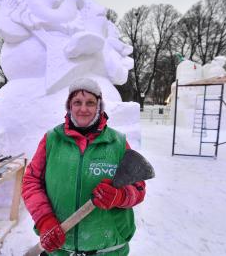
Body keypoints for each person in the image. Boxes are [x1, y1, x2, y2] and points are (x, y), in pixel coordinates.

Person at [22, 78, 147, 255]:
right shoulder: (52, 139)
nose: (83, 109)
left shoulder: (117, 143)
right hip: (61, 249)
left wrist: (120, 196)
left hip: (110, 250)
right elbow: (30, 182)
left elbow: (139, 188)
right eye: (77, 102)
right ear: (69, 106)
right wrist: (44, 219)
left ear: (99, 107)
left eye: (90, 103)